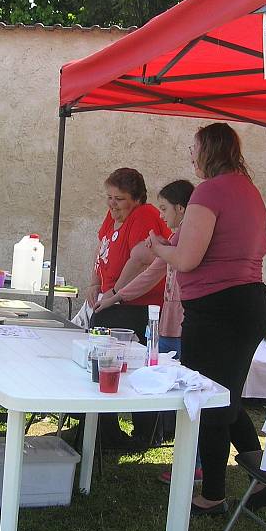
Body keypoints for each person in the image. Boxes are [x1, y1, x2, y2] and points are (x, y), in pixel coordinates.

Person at [147, 123, 266, 516]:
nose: (190, 154)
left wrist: (157, 247)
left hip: (218, 310)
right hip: (249, 303)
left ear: (210, 151)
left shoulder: (209, 191)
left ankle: (213, 494)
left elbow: (187, 259)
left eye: (194, 147)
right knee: (228, 397)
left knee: (208, 400)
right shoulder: (248, 191)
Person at [96, 179, 198, 477]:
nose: (163, 216)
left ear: (181, 209)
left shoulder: (174, 236)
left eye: (166, 209)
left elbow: (143, 263)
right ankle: (156, 436)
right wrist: (113, 296)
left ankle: (191, 462)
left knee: (183, 390)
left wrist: (115, 294)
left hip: (179, 325)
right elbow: (151, 271)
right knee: (159, 378)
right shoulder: (174, 240)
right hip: (165, 325)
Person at [87, 167, 171, 447]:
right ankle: (103, 428)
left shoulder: (144, 215)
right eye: (109, 197)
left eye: (119, 199)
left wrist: (113, 293)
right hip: (113, 297)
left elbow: (140, 260)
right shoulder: (113, 217)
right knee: (101, 355)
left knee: (124, 362)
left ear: (136, 198)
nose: (112, 204)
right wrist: (93, 285)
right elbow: (101, 250)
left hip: (138, 305)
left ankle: (125, 432)